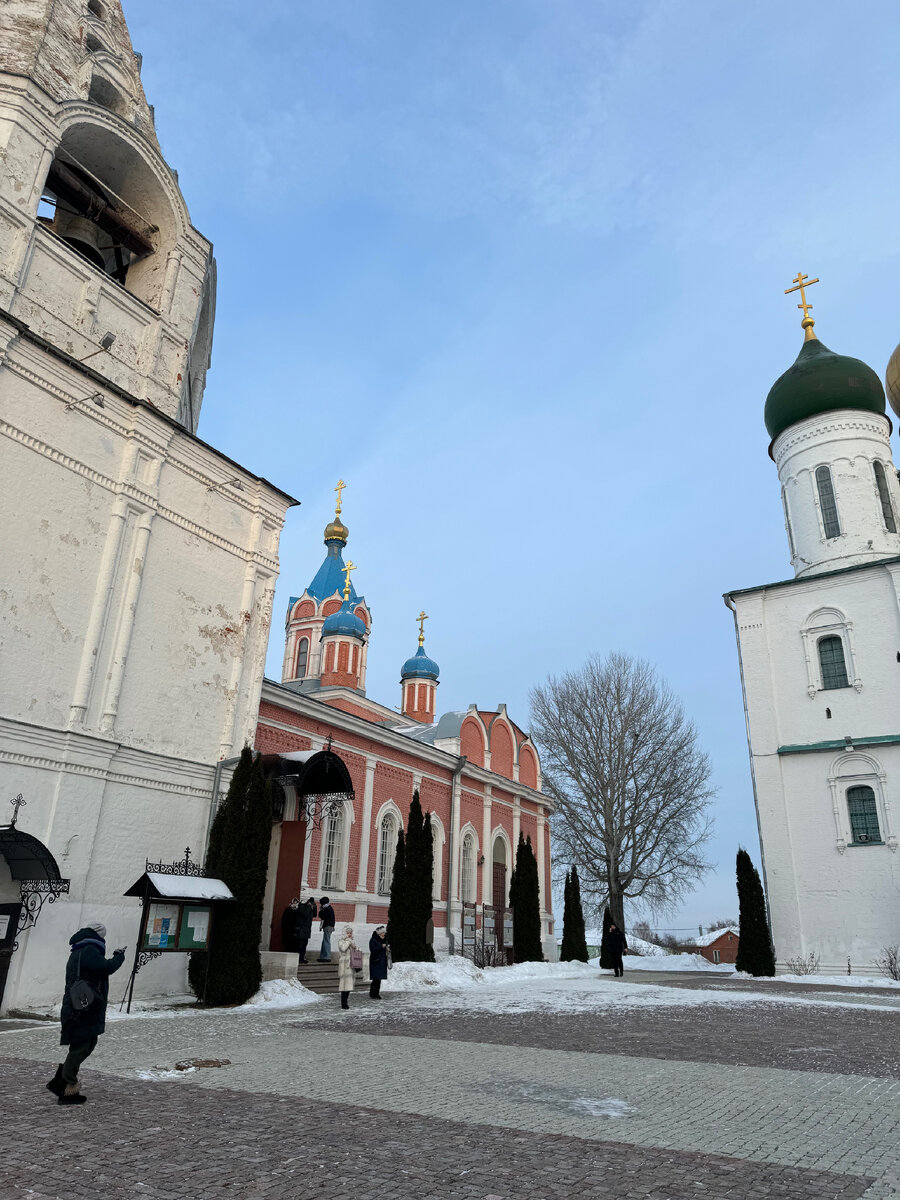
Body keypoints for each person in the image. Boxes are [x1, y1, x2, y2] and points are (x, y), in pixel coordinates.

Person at [49, 922, 125, 1105]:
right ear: (98, 935)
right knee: (83, 1045)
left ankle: (63, 1084)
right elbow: (106, 967)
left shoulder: (80, 948)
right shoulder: (90, 949)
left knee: (86, 1042)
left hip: (81, 1005)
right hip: (83, 1007)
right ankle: (67, 1085)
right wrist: (119, 956)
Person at [337, 925, 359, 1009]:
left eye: (350, 933)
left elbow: (355, 950)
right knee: (344, 985)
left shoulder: (351, 941)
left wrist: (355, 947)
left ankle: (346, 1001)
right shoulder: (341, 941)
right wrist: (349, 941)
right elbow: (342, 948)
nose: (349, 934)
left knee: (349, 985)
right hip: (344, 966)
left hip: (351, 965)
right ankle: (344, 1003)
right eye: (348, 932)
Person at [368, 925, 388, 999]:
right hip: (375, 961)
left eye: (384, 933)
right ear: (379, 933)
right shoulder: (373, 939)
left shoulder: (384, 939)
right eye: (383, 933)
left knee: (378, 979)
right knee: (375, 979)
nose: (384, 934)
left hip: (381, 962)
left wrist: (387, 948)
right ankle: (373, 993)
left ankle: (376, 993)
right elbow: (372, 949)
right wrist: (381, 946)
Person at [294, 898, 316, 964]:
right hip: (301, 930)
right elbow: (305, 914)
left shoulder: (308, 908)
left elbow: (314, 915)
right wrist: (309, 907)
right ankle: (298, 959)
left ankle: (302, 958)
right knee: (300, 945)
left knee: (304, 945)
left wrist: (314, 907)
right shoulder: (301, 908)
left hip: (307, 930)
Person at [317, 896, 336, 962]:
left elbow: (322, 915)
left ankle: (327, 957)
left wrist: (321, 910)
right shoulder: (328, 908)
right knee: (325, 941)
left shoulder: (327, 908)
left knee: (326, 941)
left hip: (328, 926)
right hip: (328, 926)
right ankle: (323, 956)